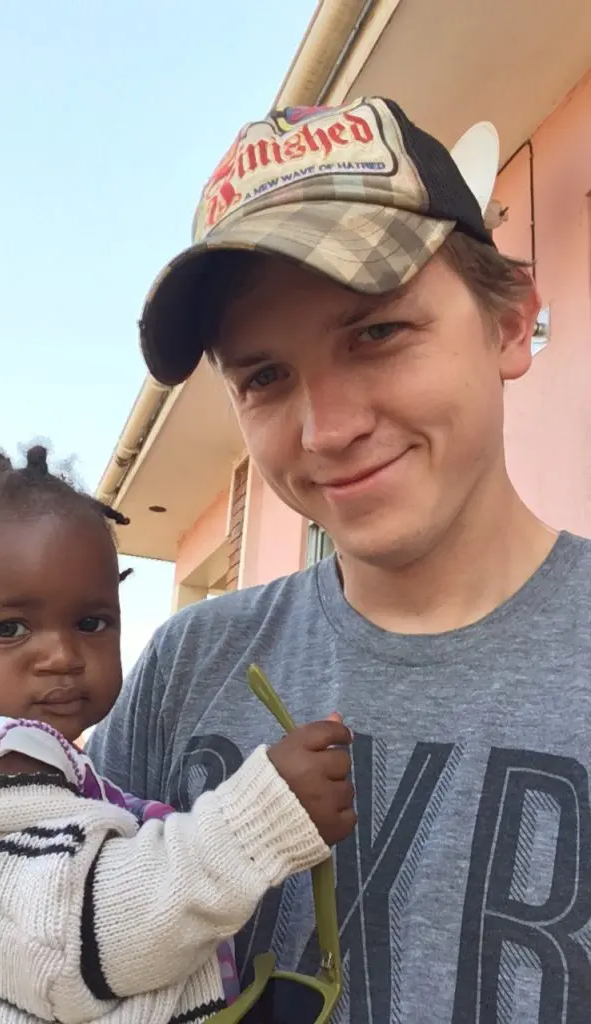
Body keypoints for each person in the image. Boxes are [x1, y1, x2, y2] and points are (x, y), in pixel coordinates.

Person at [88, 96, 591, 1024]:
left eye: (377, 333)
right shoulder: (186, 670)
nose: (329, 430)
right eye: (266, 377)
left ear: (512, 325)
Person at [0, 446, 356, 1024]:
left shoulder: (25, 770)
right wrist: (266, 817)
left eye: (91, 623)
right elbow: (87, 933)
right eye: (9, 628)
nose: (62, 655)